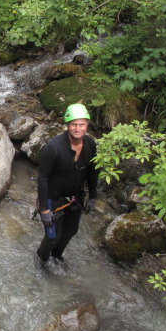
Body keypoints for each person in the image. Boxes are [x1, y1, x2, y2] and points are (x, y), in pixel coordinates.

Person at [36, 103, 98, 264]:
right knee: (52, 237)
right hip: (52, 198)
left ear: (87, 125)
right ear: (67, 126)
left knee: (70, 231)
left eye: (82, 124)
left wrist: (93, 196)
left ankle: (56, 257)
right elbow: (42, 178)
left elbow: (92, 172)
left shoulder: (90, 145)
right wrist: (44, 209)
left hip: (75, 197)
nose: (78, 128)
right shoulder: (54, 148)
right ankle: (41, 260)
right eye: (74, 124)